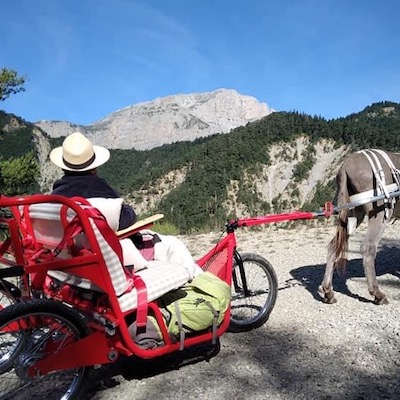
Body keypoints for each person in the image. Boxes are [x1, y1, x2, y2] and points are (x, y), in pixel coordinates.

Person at [49, 131, 202, 276]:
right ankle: (198, 289)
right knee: (172, 245)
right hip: (108, 259)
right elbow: (127, 219)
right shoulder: (98, 188)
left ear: (64, 167)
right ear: (94, 167)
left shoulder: (54, 197)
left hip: (70, 264)